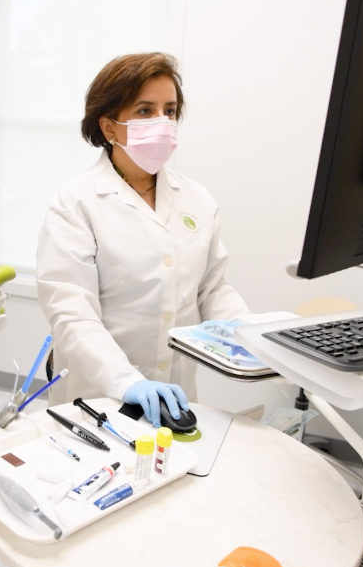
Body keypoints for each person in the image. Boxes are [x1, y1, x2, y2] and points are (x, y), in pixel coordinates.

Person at [37, 53, 251, 427]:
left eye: (169, 110)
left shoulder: (196, 199)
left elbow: (212, 288)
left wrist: (250, 332)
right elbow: (72, 313)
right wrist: (127, 381)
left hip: (176, 393)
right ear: (109, 128)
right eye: (144, 110)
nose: (162, 122)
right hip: (98, 397)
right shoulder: (76, 203)